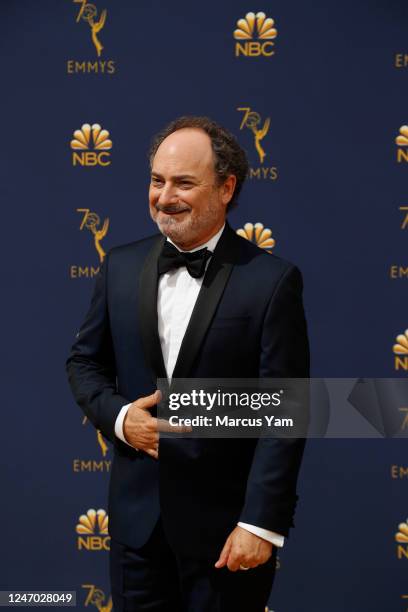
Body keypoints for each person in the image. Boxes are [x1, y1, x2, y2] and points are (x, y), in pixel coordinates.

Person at [66, 115, 310, 612]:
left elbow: (286, 412)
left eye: (183, 182)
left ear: (226, 188)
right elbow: (83, 362)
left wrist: (258, 523)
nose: (164, 195)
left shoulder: (271, 281)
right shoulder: (119, 264)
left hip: (227, 535)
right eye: (157, 180)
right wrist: (120, 418)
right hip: (137, 530)